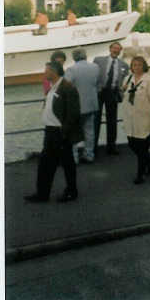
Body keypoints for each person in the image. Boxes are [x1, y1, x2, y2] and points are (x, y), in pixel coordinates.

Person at [25, 62, 83, 203]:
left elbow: (73, 113)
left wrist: (64, 132)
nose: (44, 73)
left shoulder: (68, 88)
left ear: (54, 71)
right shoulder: (52, 87)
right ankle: (42, 194)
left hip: (60, 132)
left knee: (67, 163)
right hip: (50, 131)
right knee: (45, 164)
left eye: (46, 71)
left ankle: (71, 191)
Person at [121, 56, 150, 184]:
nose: (136, 67)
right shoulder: (128, 79)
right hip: (130, 118)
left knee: (142, 148)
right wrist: (123, 89)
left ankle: (140, 174)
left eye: (139, 65)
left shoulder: (149, 81)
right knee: (132, 143)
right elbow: (124, 96)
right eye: (134, 65)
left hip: (144, 118)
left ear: (144, 66)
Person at [64, 47, 100, 164]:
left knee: (73, 132)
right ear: (85, 56)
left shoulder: (71, 70)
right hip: (91, 104)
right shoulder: (95, 67)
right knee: (89, 131)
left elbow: (66, 86)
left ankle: (74, 157)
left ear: (74, 57)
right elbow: (97, 84)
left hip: (76, 106)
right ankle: (89, 155)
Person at [93, 42, 129, 155]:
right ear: (110, 49)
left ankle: (111, 147)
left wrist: (122, 90)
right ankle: (93, 147)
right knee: (96, 120)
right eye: (114, 48)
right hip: (99, 92)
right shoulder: (98, 60)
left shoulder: (124, 65)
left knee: (112, 121)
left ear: (120, 51)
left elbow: (125, 80)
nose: (116, 50)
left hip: (113, 93)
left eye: (118, 49)